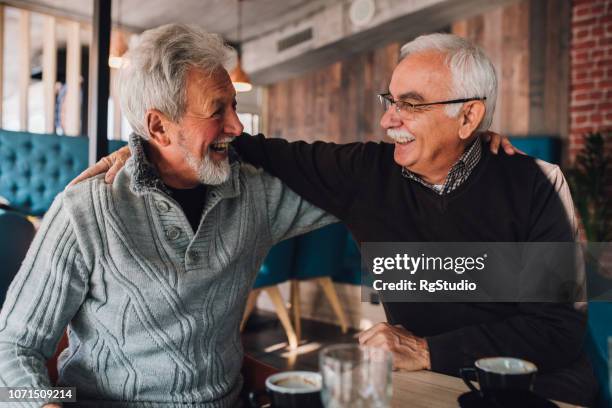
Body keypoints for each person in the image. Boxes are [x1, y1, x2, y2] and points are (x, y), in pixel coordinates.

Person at [0, 24, 337, 407]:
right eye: (216, 111)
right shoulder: (86, 210)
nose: (238, 127)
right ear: (158, 126)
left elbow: (354, 190)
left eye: (234, 105)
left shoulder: (255, 194)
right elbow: (11, 350)